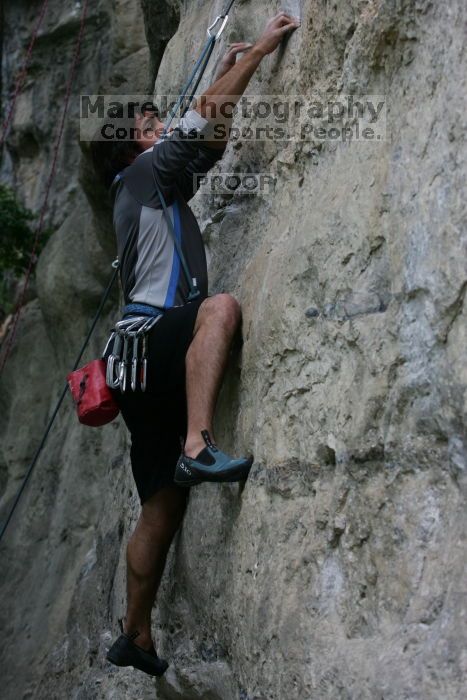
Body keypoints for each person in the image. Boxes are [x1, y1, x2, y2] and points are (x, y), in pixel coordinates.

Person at [90, 11, 300, 678]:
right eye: (151, 126)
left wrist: (221, 72)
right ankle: (198, 443)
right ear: (133, 146)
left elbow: (208, 135)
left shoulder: (146, 186)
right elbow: (206, 116)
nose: (161, 129)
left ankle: (135, 632)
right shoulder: (144, 176)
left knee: (160, 502)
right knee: (220, 308)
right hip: (154, 336)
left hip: (130, 359)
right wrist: (263, 50)